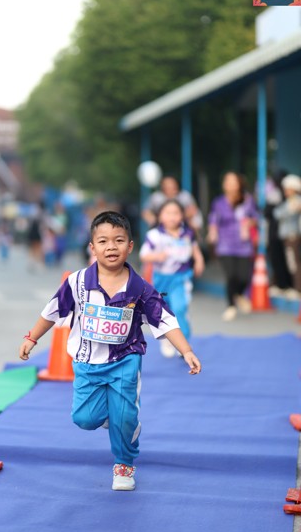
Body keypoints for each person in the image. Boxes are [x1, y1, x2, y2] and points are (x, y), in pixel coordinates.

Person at [19, 211, 201, 492]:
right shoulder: (77, 282)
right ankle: (115, 420)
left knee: (125, 415)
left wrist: (186, 350)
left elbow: (165, 320)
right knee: (84, 418)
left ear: (130, 246)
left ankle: (124, 463)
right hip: (87, 363)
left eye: (119, 240)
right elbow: (51, 312)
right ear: (92, 247)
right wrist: (32, 338)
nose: (111, 247)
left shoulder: (140, 288)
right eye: (103, 241)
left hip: (125, 360)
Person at [139, 199, 205, 357]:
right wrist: (157, 256)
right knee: (163, 311)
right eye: (168, 213)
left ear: (182, 215)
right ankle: (167, 339)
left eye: (176, 213)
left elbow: (194, 249)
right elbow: (144, 255)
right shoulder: (154, 235)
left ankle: (184, 344)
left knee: (180, 308)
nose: (172, 217)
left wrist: (199, 260)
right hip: (161, 280)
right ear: (160, 216)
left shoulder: (187, 233)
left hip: (181, 278)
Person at [207, 172, 259, 321]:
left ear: (239, 184)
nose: (229, 184)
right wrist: (212, 232)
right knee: (231, 275)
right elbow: (213, 220)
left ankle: (240, 294)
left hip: (243, 244)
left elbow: (256, 217)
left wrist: (250, 222)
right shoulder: (219, 202)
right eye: (227, 181)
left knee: (244, 277)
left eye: (233, 181)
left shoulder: (247, 200)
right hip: (225, 245)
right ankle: (231, 306)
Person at [273, 174, 301, 298]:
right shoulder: (290, 201)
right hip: (288, 237)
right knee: (291, 263)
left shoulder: (296, 201)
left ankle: (298, 289)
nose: (285, 191)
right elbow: (277, 212)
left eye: (288, 188)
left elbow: (279, 214)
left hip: (292, 237)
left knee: (293, 264)